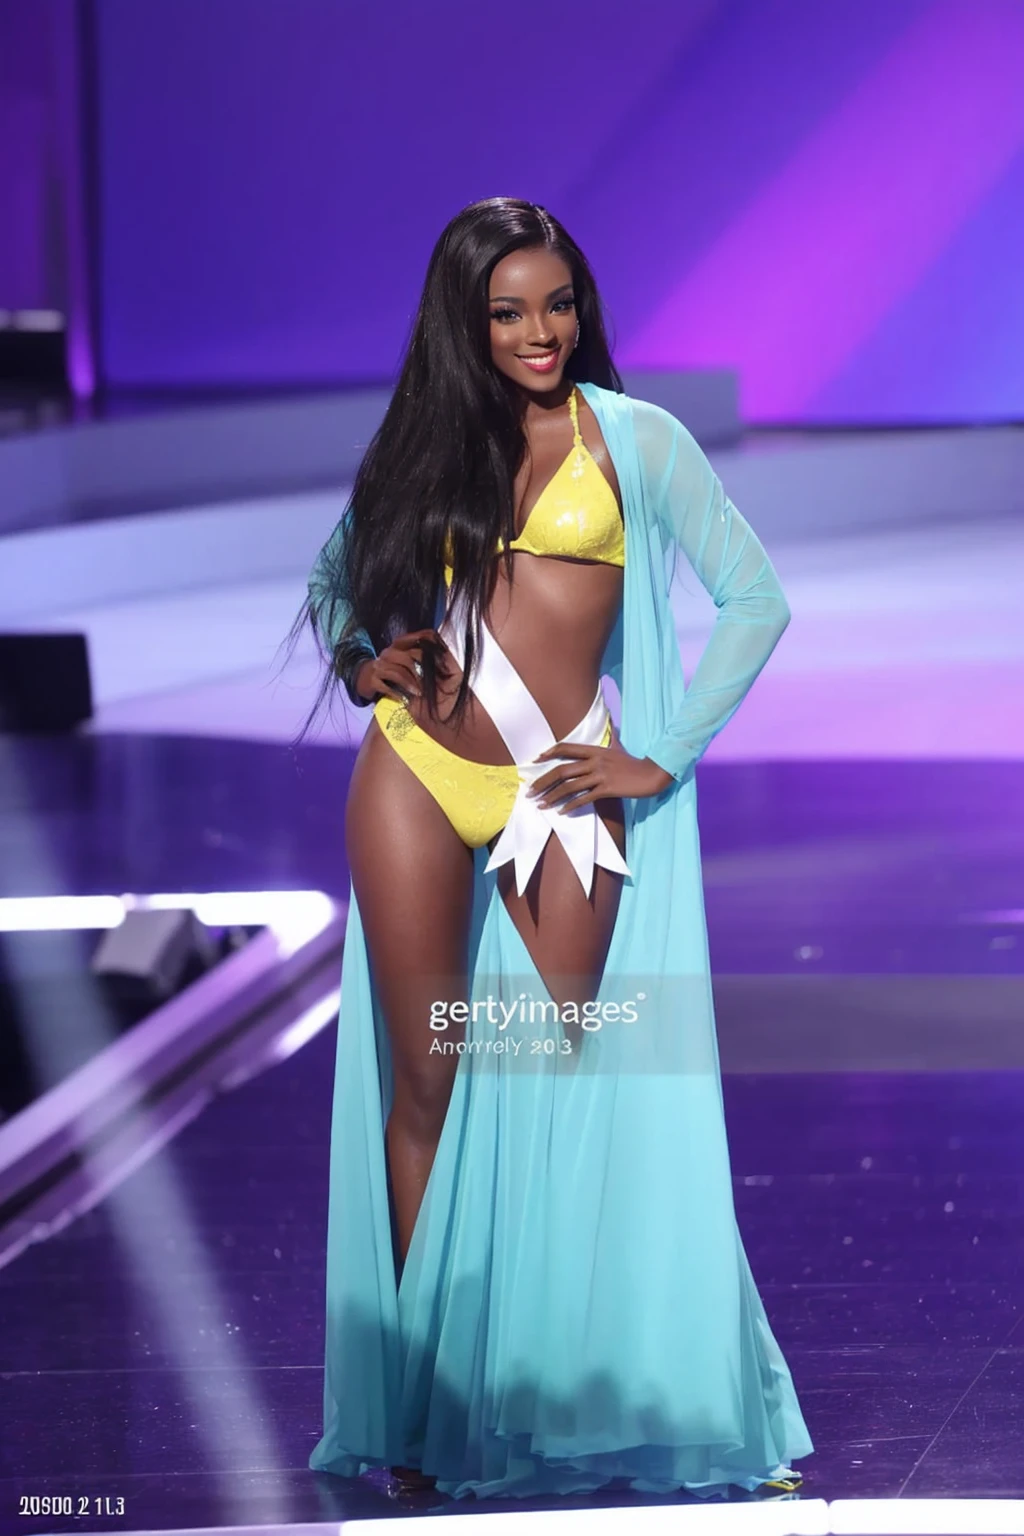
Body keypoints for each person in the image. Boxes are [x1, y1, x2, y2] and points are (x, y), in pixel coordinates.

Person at [297, 196, 813, 1501]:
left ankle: (583, 1381)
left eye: (559, 303)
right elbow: (334, 579)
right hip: (419, 773)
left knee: (573, 1073)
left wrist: (667, 751)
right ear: (467, 325)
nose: (541, 332)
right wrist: (369, 666)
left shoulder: (634, 441)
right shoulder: (429, 444)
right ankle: (425, 1404)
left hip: (560, 781)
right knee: (427, 1085)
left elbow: (756, 597)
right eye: (510, 312)